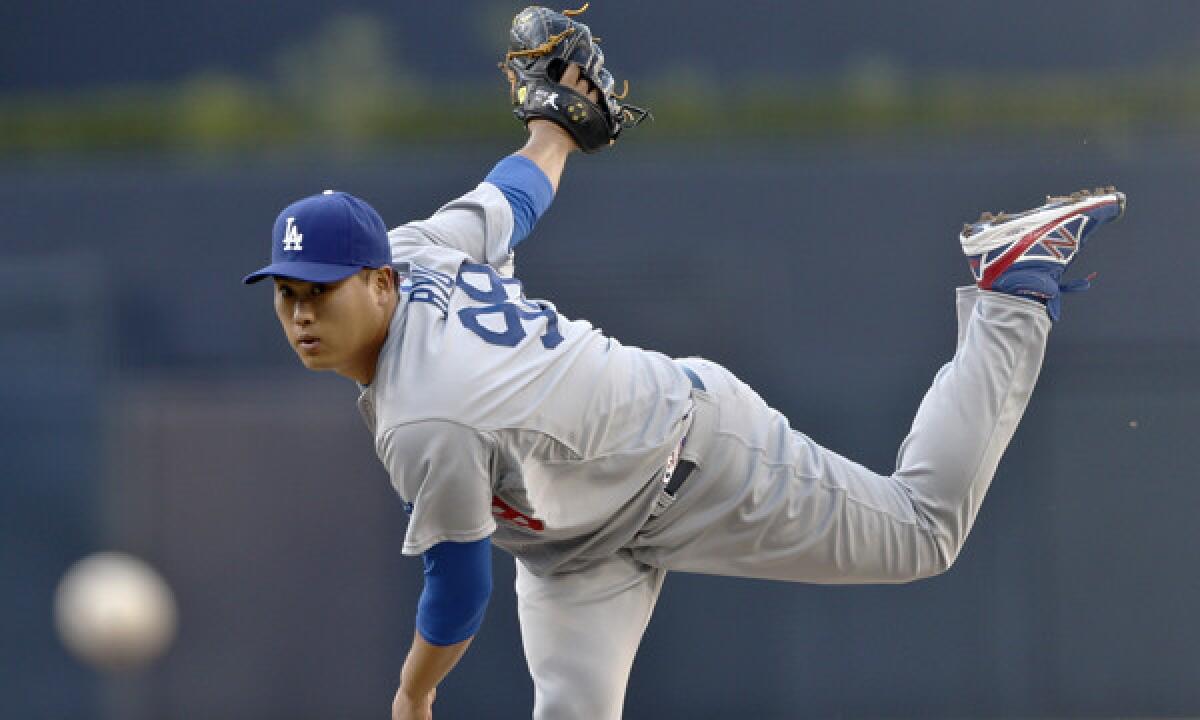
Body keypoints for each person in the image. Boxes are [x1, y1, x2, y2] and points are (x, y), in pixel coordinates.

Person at [243, 60, 1125, 720]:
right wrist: (557, 126)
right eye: (286, 291)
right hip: (574, 551)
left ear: (379, 284)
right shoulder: (420, 248)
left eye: (318, 289)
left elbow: (457, 585)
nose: (299, 312)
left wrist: (411, 696)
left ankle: (1012, 289)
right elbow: (515, 193)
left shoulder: (425, 413)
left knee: (922, 534)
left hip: (695, 460)